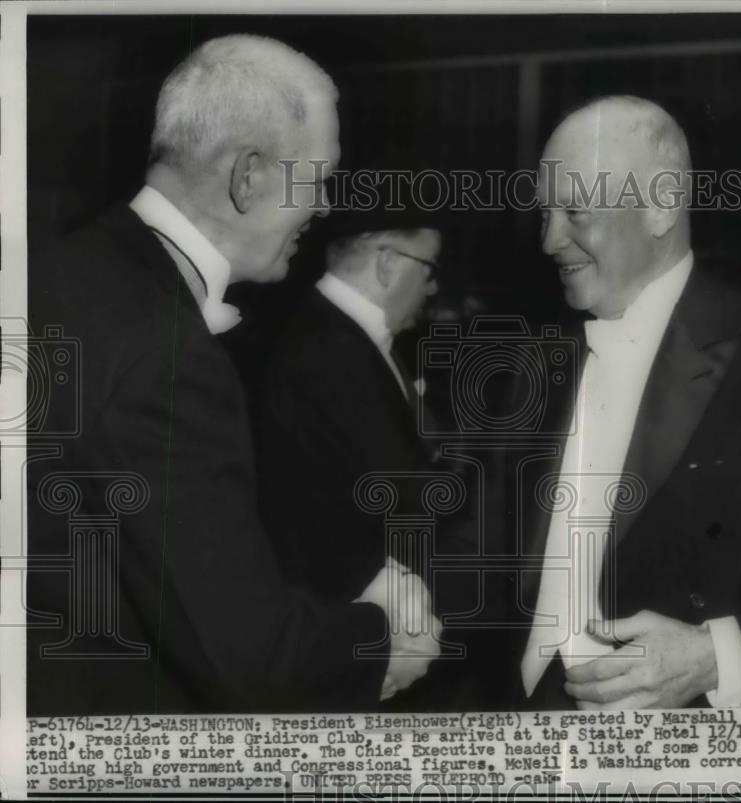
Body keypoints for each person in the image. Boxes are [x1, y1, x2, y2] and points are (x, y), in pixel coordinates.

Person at [27, 34, 439, 715]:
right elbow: (248, 661)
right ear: (248, 175)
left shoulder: (64, 275)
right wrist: (386, 638)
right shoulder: (164, 349)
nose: (327, 206)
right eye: (319, 178)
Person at [515, 95, 741, 709]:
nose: (551, 239)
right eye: (544, 213)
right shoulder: (534, 363)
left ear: (661, 205)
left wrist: (715, 658)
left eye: (575, 211)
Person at [256, 224, 441, 609]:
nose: (433, 288)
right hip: (341, 615)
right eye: (429, 269)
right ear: (388, 263)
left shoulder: (346, 337)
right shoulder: (325, 354)